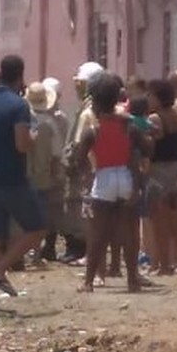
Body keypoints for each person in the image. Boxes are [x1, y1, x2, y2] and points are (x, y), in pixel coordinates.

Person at [0, 55, 47, 316]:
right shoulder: (18, 105)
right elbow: (22, 144)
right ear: (20, 74)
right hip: (11, 177)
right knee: (36, 228)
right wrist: (34, 136)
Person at [75, 73, 149, 293]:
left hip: (104, 177)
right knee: (129, 233)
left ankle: (89, 281)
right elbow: (146, 148)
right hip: (126, 176)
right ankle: (132, 279)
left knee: (98, 233)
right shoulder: (129, 126)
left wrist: (87, 176)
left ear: (96, 102)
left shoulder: (93, 130)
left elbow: (79, 158)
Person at [59, 62, 105, 264]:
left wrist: (73, 160)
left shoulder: (90, 109)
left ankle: (82, 247)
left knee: (81, 206)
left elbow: (80, 141)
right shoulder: (89, 106)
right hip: (87, 163)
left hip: (85, 164)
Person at [146, 79, 177, 275]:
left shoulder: (155, 119)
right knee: (176, 224)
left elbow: (151, 149)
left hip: (158, 171)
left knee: (159, 224)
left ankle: (164, 265)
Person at [25, 82, 64, 266]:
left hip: (22, 175)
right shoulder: (49, 124)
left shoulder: (22, 121)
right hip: (43, 176)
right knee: (40, 216)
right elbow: (57, 154)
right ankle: (36, 254)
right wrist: (56, 174)